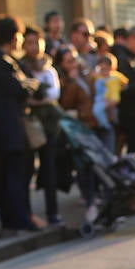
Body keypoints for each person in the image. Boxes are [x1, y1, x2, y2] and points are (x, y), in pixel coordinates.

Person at [0, 15, 41, 234]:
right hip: (8, 128)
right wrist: (29, 84)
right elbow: (20, 87)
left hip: (4, 127)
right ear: (12, 37)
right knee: (15, 176)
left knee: (10, 175)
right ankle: (19, 218)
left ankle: (13, 218)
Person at [20, 25, 63, 226]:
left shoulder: (49, 68)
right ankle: (27, 214)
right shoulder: (20, 67)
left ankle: (52, 212)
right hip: (29, 124)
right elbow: (24, 96)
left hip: (49, 125)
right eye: (29, 42)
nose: (34, 46)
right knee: (28, 169)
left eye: (37, 41)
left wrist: (38, 99)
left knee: (49, 169)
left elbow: (54, 94)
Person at [55, 46, 102, 220]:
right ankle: (90, 200)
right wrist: (71, 83)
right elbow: (65, 104)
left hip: (96, 123)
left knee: (101, 162)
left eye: (74, 58)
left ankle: (100, 197)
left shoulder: (88, 74)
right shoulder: (64, 82)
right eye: (69, 61)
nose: (74, 63)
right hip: (78, 129)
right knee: (84, 165)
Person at [111, 24, 135, 154]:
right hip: (128, 114)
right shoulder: (120, 56)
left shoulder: (134, 57)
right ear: (132, 38)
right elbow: (125, 87)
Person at [89, 52, 124, 152]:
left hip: (109, 116)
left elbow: (115, 99)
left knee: (108, 145)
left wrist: (104, 106)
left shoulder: (113, 80)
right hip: (95, 120)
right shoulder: (98, 78)